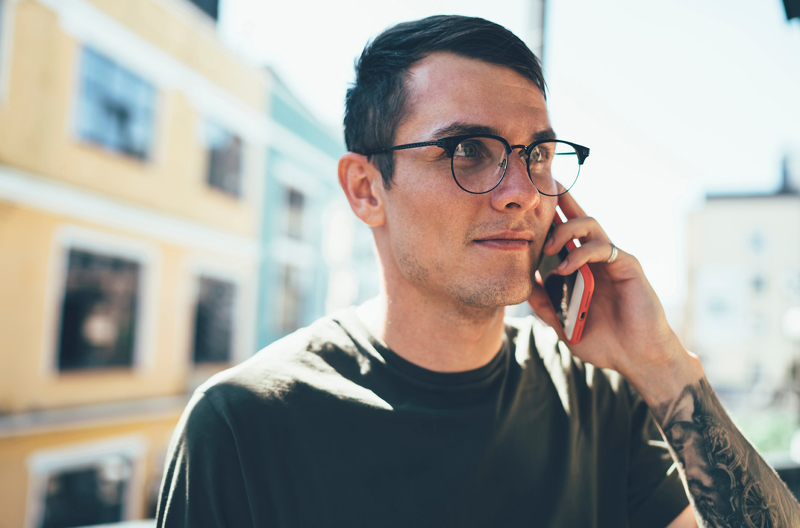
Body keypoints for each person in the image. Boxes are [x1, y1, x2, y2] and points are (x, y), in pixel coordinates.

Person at [156, 15, 800, 528]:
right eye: (469, 150)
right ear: (366, 189)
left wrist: (661, 366)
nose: (521, 191)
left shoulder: (600, 397)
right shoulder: (244, 426)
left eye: (539, 154)